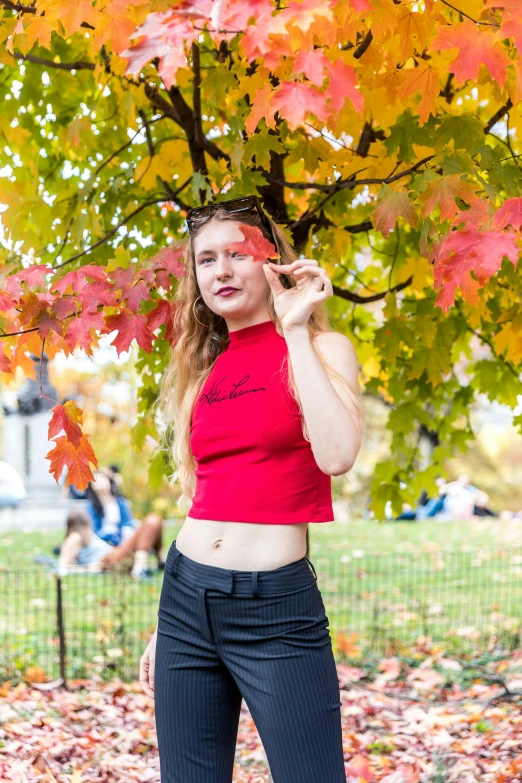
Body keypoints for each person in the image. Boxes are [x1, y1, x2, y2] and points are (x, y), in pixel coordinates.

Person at [141, 195, 364, 783]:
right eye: (206, 259)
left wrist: (293, 329)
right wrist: (168, 627)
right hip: (187, 600)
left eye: (237, 254)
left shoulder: (320, 349)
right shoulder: (206, 369)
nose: (220, 270)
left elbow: (337, 455)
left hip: (275, 611)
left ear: (271, 262)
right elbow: (210, 494)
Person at [57, 507, 165, 579]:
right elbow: (63, 567)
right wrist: (88, 569)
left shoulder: (87, 535)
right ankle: (140, 569)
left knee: (156, 522)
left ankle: (158, 563)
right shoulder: (75, 537)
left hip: (115, 557)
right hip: (109, 561)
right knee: (152, 521)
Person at [85, 468, 137, 546]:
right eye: (96, 481)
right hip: (100, 541)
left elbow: (127, 523)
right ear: (92, 486)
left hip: (121, 539)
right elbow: (93, 530)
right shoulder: (91, 506)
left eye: (102, 479)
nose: (100, 483)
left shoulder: (121, 502)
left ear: (109, 481)